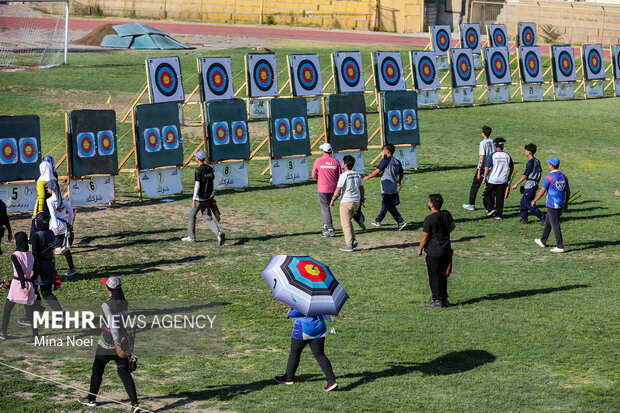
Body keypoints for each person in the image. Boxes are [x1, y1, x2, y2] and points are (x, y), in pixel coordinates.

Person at [78, 277, 139, 411]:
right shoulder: (124, 302)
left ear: (108, 289)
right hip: (123, 342)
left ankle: (91, 399)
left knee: (97, 370)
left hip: (108, 343)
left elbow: (113, 325)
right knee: (124, 374)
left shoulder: (107, 305)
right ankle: (135, 404)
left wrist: (116, 345)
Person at [275, 307, 337, 392]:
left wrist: (290, 313)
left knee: (295, 352)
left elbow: (297, 312)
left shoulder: (304, 298)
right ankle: (331, 381)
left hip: (304, 329)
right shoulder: (319, 298)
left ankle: (288, 378)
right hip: (320, 328)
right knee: (320, 355)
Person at [417, 194, 455, 308]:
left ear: (432, 204)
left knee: (434, 276)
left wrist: (419, 249)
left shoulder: (429, 218)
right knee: (443, 275)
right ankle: (444, 299)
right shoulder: (446, 214)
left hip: (434, 252)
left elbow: (425, 236)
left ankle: (437, 300)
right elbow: (453, 226)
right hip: (446, 249)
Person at [0, 232, 39, 343]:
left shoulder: (15, 255)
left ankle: (3, 332)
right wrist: (30, 283)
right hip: (29, 284)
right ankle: (36, 337)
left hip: (18, 285)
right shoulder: (30, 255)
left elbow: (20, 272)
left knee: (7, 309)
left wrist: (23, 287)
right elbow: (35, 270)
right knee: (31, 312)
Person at [182, 150, 225, 245]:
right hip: (208, 198)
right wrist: (211, 195)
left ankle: (191, 237)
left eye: (196, 156)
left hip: (199, 198)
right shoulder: (210, 168)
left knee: (191, 216)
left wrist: (193, 199)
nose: (195, 158)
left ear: (198, 158)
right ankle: (218, 233)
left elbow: (197, 185)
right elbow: (212, 183)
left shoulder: (198, 170)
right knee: (208, 218)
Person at [29, 211, 64, 322]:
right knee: (47, 292)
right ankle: (60, 314)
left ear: (38, 221)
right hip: (49, 265)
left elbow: (34, 255)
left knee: (33, 290)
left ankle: (34, 314)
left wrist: (33, 270)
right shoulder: (51, 233)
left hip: (39, 266)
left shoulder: (36, 236)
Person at [363, 144, 407, 230]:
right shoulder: (397, 161)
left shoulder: (385, 160)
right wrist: (399, 181)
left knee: (389, 205)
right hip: (393, 187)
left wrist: (368, 177)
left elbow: (377, 171)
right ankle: (378, 220)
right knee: (385, 204)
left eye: (383, 150)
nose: (383, 151)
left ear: (387, 152)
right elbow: (401, 173)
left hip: (387, 187)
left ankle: (400, 221)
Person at [532, 157, 570, 253]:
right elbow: (568, 191)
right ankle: (543, 241)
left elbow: (541, 192)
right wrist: (566, 202)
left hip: (552, 204)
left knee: (555, 224)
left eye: (549, 164)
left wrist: (534, 200)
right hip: (560, 203)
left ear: (551, 166)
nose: (548, 165)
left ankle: (560, 246)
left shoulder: (548, 177)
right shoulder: (564, 176)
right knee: (548, 221)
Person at [330, 155, 364, 252]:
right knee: (348, 221)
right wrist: (362, 199)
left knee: (345, 223)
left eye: (342, 162)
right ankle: (353, 240)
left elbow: (338, 188)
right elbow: (361, 188)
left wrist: (332, 200)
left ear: (345, 164)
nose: (341, 164)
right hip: (356, 202)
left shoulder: (343, 175)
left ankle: (349, 244)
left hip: (346, 202)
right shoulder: (357, 174)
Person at [45, 181, 77, 276]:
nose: (47, 190)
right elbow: (70, 211)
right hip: (63, 226)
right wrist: (69, 224)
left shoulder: (49, 200)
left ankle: (51, 269)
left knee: (49, 247)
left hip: (55, 226)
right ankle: (72, 268)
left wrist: (55, 227)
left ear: (51, 189)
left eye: (48, 188)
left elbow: (53, 215)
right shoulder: (62, 198)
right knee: (65, 247)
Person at [311, 143, 341, 237]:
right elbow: (340, 176)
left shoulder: (318, 161)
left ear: (323, 151)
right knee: (327, 208)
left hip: (323, 188)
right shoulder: (336, 161)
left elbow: (313, 175)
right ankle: (325, 225)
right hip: (334, 189)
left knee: (325, 208)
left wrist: (320, 179)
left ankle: (330, 228)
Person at [511, 143, 545, 224]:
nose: (525, 152)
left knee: (529, 203)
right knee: (523, 202)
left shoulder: (530, 162)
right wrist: (537, 183)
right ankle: (524, 218)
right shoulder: (537, 161)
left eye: (526, 150)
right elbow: (540, 173)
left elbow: (525, 175)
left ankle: (543, 217)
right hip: (534, 184)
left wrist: (516, 184)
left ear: (529, 152)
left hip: (530, 185)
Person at [463, 125, 494, 211]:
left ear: (483, 133)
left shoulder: (483, 143)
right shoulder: (493, 142)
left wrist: (479, 170)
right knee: (490, 187)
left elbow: (482, 156)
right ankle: (491, 205)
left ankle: (471, 204)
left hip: (483, 167)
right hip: (491, 167)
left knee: (475, 186)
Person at [482, 138, 514, 220]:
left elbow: (487, 167)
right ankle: (499, 215)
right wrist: (509, 176)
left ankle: (491, 208)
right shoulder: (507, 156)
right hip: (503, 180)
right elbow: (512, 166)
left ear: (495, 146)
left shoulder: (493, 155)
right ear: (503, 146)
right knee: (500, 198)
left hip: (493, 179)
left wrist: (484, 177)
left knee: (486, 194)